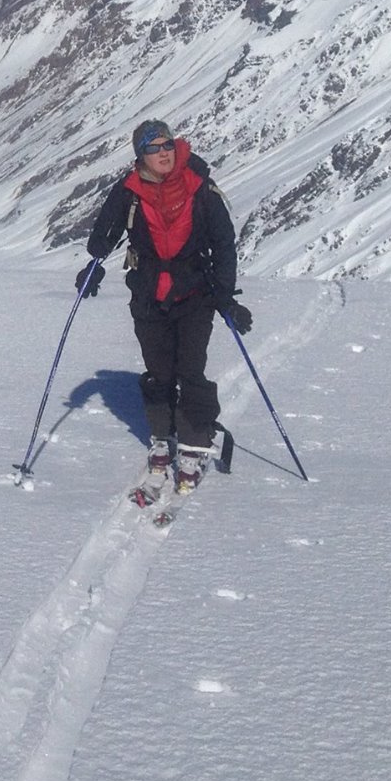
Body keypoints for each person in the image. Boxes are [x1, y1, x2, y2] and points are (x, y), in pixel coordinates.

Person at [76, 118, 252, 498]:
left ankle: (193, 444)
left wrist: (226, 297)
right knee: (159, 371)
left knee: (190, 370)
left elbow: (223, 244)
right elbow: (105, 232)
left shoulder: (199, 186)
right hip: (148, 294)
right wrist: (93, 265)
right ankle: (161, 437)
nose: (164, 154)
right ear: (141, 154)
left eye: (168, 145)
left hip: (195, 294)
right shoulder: (130, 191)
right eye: (154, 148)